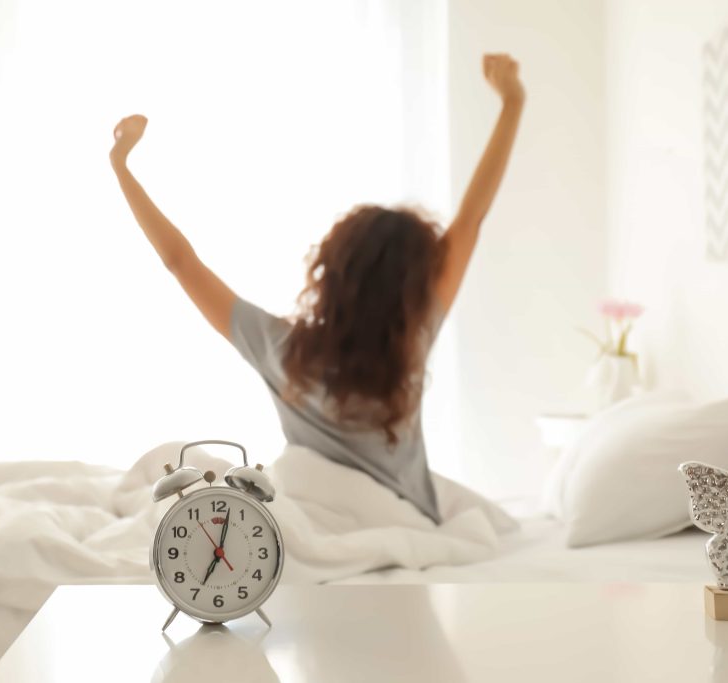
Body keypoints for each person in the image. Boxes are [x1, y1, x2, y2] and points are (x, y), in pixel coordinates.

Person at [110, 54, 525, 524]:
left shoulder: (280, 349)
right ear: (412, 286)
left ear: (332, 270)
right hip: (408, 524)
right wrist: (512, 100)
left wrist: (122, 164)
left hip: (315, 520)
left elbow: (179, 262)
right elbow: (471, 218)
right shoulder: (412, 338)